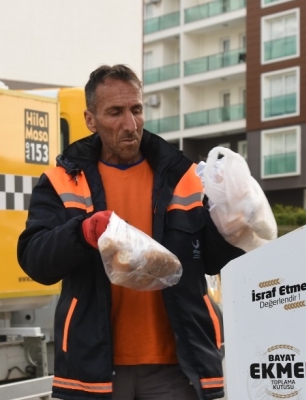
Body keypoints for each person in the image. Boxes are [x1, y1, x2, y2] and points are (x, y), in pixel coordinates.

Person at [17, 65, 244, 400]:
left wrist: (231, 222)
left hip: (177, 368)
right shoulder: (61, 181)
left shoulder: (185, 176)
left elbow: (209, 261)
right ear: (90, 119)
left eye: (136, 110)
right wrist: (81, 232)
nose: (130, 124)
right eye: (115, 112)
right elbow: (35, 260)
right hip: (93, 368)